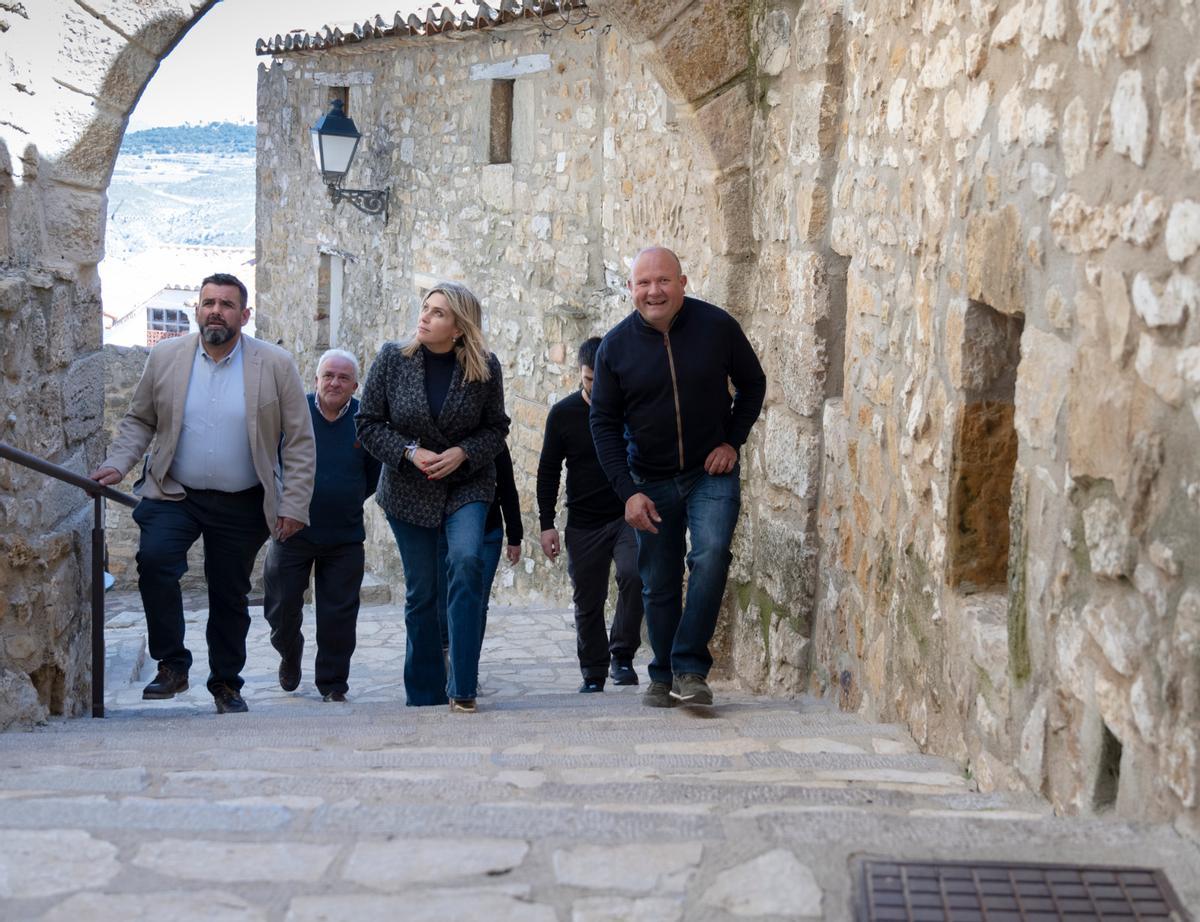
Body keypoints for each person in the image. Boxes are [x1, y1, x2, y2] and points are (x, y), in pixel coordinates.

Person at [90, 273, 314, 714]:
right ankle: (172, 665)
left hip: (244, 499)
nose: (216, 310)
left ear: (244, 315)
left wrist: (294, 504)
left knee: (229, 593)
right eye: (208, 302)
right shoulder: (167, 357)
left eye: (227, 304)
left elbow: (301, 439)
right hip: (175, 492)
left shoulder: (275, 364)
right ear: (196, 310)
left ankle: (226, 684)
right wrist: (119, 462)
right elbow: (140, 420)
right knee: (154, 562)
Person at [589, 247, 766, 708]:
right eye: (643, 283)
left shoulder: (717, 327)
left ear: (683, 282)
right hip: (649, 480)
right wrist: (628, 493)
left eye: (663, 281)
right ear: (630, 290)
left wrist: (732, 441)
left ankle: (688, 666)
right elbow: (603, 425)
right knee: (658, 580)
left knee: (710, 556)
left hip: (711, 471)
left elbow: (754, 384)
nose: (654, 291)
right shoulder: (614, 348)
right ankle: (662, 672)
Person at [356, 281, 509, 714]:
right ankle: (424, 694)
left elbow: (497, 428)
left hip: (467, 485)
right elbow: (367, 423)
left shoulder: (486, 368)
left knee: (466, 561)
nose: (425, 317)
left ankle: (463, 685)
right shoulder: (392, 359)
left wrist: (463, 452)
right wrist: (408, 451)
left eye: (438, 312)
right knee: (422, 593)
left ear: (459, 327)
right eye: (425, 308)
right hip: (408, 489)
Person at [262, 349, 382, 703]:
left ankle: (332, 684)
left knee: (339, 617)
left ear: (355, 385)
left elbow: (374, 476)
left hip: (344, 537)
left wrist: (343, 497)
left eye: (343, 377)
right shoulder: (293, 413)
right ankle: (290, 650)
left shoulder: (366, 420)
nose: (335, 382)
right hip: (292, 532)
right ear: (315, 379)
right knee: (280, 608)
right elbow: (271, 462)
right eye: (328, 375)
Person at [537, 337, 644, 694]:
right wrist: (546, 523)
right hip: (583, 522)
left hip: (626, 516)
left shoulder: (629, 410)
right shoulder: (564, 414)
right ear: (579, 374)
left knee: (634, 575)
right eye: (588, 381)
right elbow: (549, 470)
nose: (596, 391)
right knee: (588, 599)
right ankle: (594, 671)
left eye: (602, 382)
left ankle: (623, 655)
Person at [436, 442, 522, 654]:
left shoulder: (493, 442)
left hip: (488, 533)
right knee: (444, 601)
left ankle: (467, 665)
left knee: (477, 603)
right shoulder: (435, 438)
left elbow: (507, 488)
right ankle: (447, 653)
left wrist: (515, 537)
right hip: (442, 534)